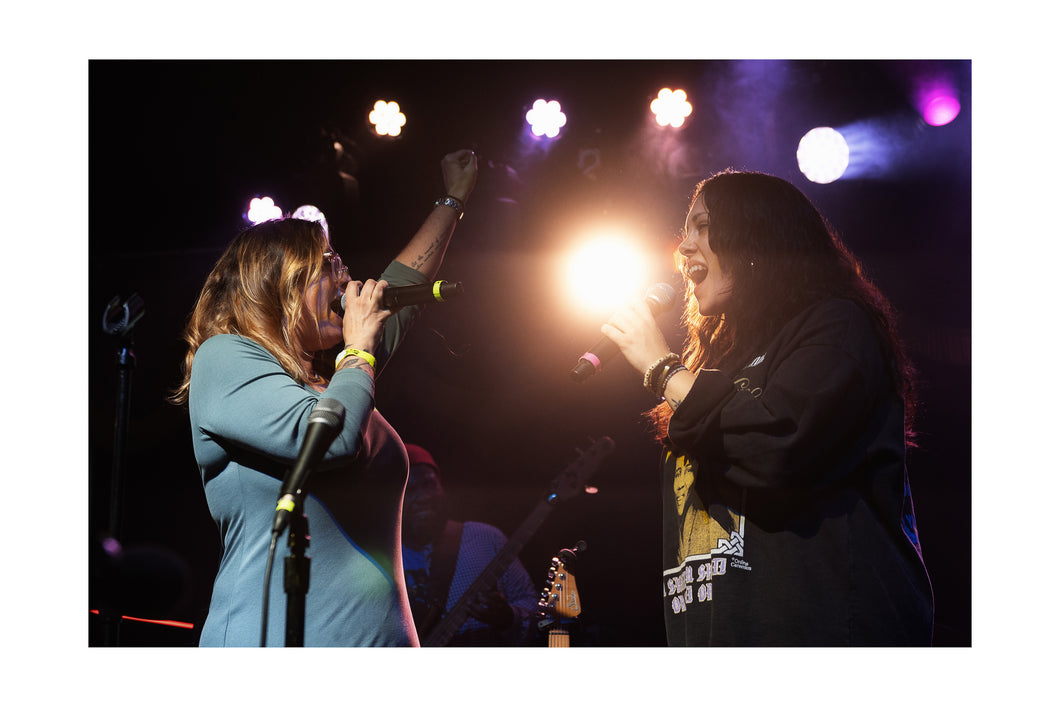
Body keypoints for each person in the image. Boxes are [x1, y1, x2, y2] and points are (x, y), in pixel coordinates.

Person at [600, 170, 934, 646]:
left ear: (757, 237)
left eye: (703, 226)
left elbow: (780, 446)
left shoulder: (837, 327)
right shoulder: (720, 365)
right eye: (685, 231)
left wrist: (663, 370)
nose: (684, 247)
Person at [169, 149, 478, 646]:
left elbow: (403, 284)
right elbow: (329, 440)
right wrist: (357, 354)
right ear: (278, 283)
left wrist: (453, 198)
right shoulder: (224, 356)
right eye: (329, 264)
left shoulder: (340, 380)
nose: (348, 279)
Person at [400, 444, 540, 646]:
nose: (423, 497)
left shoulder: (487, 539)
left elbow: (534, 607)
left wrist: (508, 617)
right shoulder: (379, 558)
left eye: (429, 484)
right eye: (409, 489)